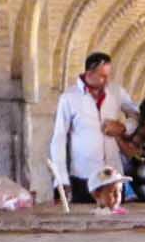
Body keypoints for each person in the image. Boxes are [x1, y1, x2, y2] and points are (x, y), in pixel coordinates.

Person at [47, 51, 137, 205]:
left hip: (113, 175)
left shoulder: (116, 92)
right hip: (84, 175)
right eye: (102, 76)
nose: (106, 80)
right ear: (89, 73)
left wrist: (124, 128)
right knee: (84, 218)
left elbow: (135, 115)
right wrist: (61, 178)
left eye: (108, 75)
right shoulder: (69, 98)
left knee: (116, 220)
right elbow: (59, 138)